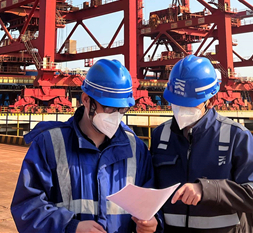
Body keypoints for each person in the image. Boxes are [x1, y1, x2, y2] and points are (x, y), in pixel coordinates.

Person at [11, 59, 160, 233]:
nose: (116, 116)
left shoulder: (136, 149)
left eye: (122, 110)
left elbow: (150, 202)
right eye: (109, 108)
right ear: (86, 100)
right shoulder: (49, 144)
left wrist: (152, 224)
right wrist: (71, 227)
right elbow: (27, 208)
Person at [151, 55, 253, 233]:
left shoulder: (236, 136)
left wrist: (207, 189)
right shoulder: (160, 135)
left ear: (211, 101)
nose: (180, 109)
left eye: (189, 104)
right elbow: (151, 189)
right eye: (175, 103)